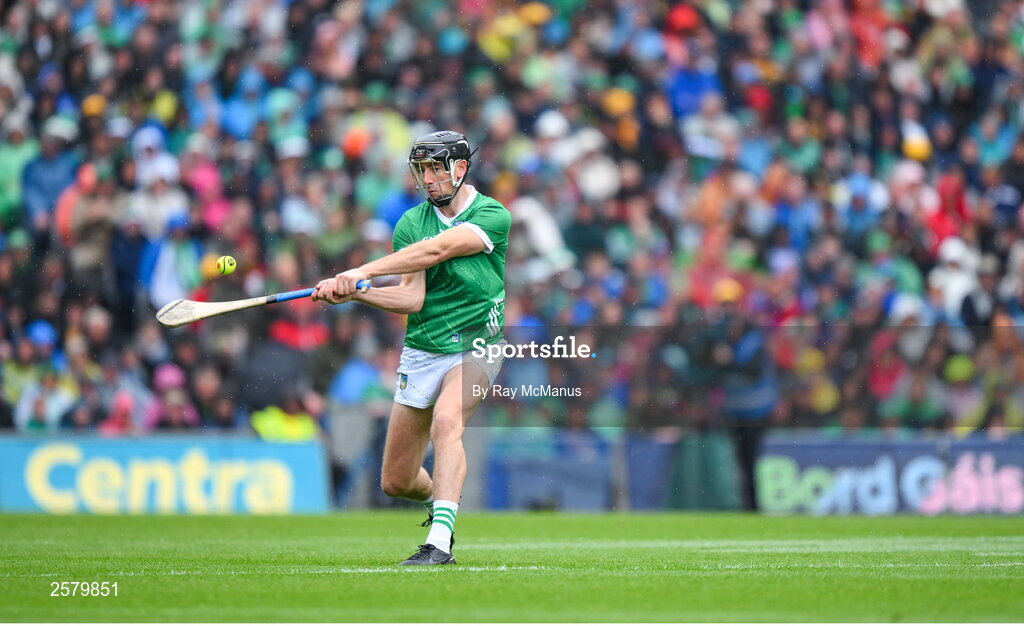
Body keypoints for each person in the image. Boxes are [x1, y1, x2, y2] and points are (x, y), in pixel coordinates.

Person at [313, 131, 510, 565]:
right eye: (421, 170)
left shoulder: (492, 215)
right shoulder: (409, 223)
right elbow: (411, 299)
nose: (428, 178)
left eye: (436, 168)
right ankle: (439, 502)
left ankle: (439, 543)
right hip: (423, 349)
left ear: (460, 168)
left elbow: (436, 250)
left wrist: (361, 270)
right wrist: (357, 292)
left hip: (478, 345)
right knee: (397, 480)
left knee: (446, 422)